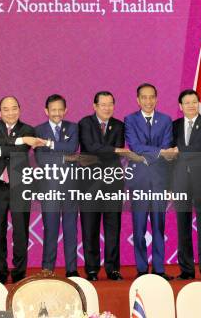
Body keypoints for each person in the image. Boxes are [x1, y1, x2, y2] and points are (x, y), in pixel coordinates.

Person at [0, 96, 44, 284]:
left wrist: (2, 147)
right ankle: (0, 272)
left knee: (20, 232)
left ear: (20, 109)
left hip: (20, 185)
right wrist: (16, 142)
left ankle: (19, 272)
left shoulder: (28, 130)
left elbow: (16, 151)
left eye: (14, 108)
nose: (11, 112)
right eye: (6, 109)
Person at [124, 83, 176, 280]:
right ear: (138, 100)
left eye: (151, 97)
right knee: (138, 227)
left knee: (158, 226)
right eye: (143, 97)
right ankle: (141, 269)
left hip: (159, 180)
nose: (148, 101)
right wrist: (159, 153)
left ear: (156, 98)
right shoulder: (130, 120)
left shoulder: (165, 120)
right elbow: (135, 146)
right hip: (139, 181)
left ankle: (160, 269)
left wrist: (150, 154)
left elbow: (166, 144)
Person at [78, 91, 129, 281]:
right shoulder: (85, 123)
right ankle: (91, 269)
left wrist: (111, 150)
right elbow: (90, 147)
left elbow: (112, 153)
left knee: (112, 227)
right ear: (94, 106)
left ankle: (112, 268)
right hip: (89, 183)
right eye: (103, 104)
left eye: (110, 104)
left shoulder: (119, 125)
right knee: (89, 227)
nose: (107, 108)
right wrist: (113, 149)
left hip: (112, 183)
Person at [171, 89, 201, 280]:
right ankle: (186, 270)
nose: (191, 105)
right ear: (180, 106)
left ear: (199, 104)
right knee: (183, 226)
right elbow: (169, 155)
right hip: (180, 181)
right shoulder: (174, 126)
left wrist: (178, 149)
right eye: (187, 102)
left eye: (194, 102)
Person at [34, 94, 80, 277]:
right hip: (49, 187)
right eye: (53, 110)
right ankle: (47, 268)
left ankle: (72, 269)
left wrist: (50, 145)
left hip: (70, 185)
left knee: (71, 228)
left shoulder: (73, 127)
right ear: (46, 111)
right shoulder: (38, 130)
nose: (57, 113)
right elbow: (40, 158)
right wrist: (63, 156)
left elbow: (73, 149)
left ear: (66, 110)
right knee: (50, 228)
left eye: (61, 109)